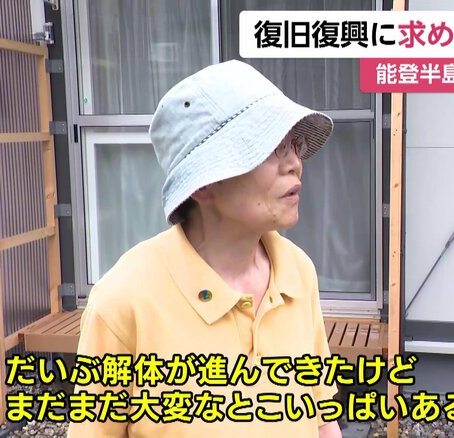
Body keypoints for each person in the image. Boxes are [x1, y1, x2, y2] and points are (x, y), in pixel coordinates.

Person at [67, 60, 342, 437]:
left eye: (294, 143)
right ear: (202, 185)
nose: (295, 163)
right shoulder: (123, 302)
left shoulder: (297, 271)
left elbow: (321, 417)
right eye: (271, 147)